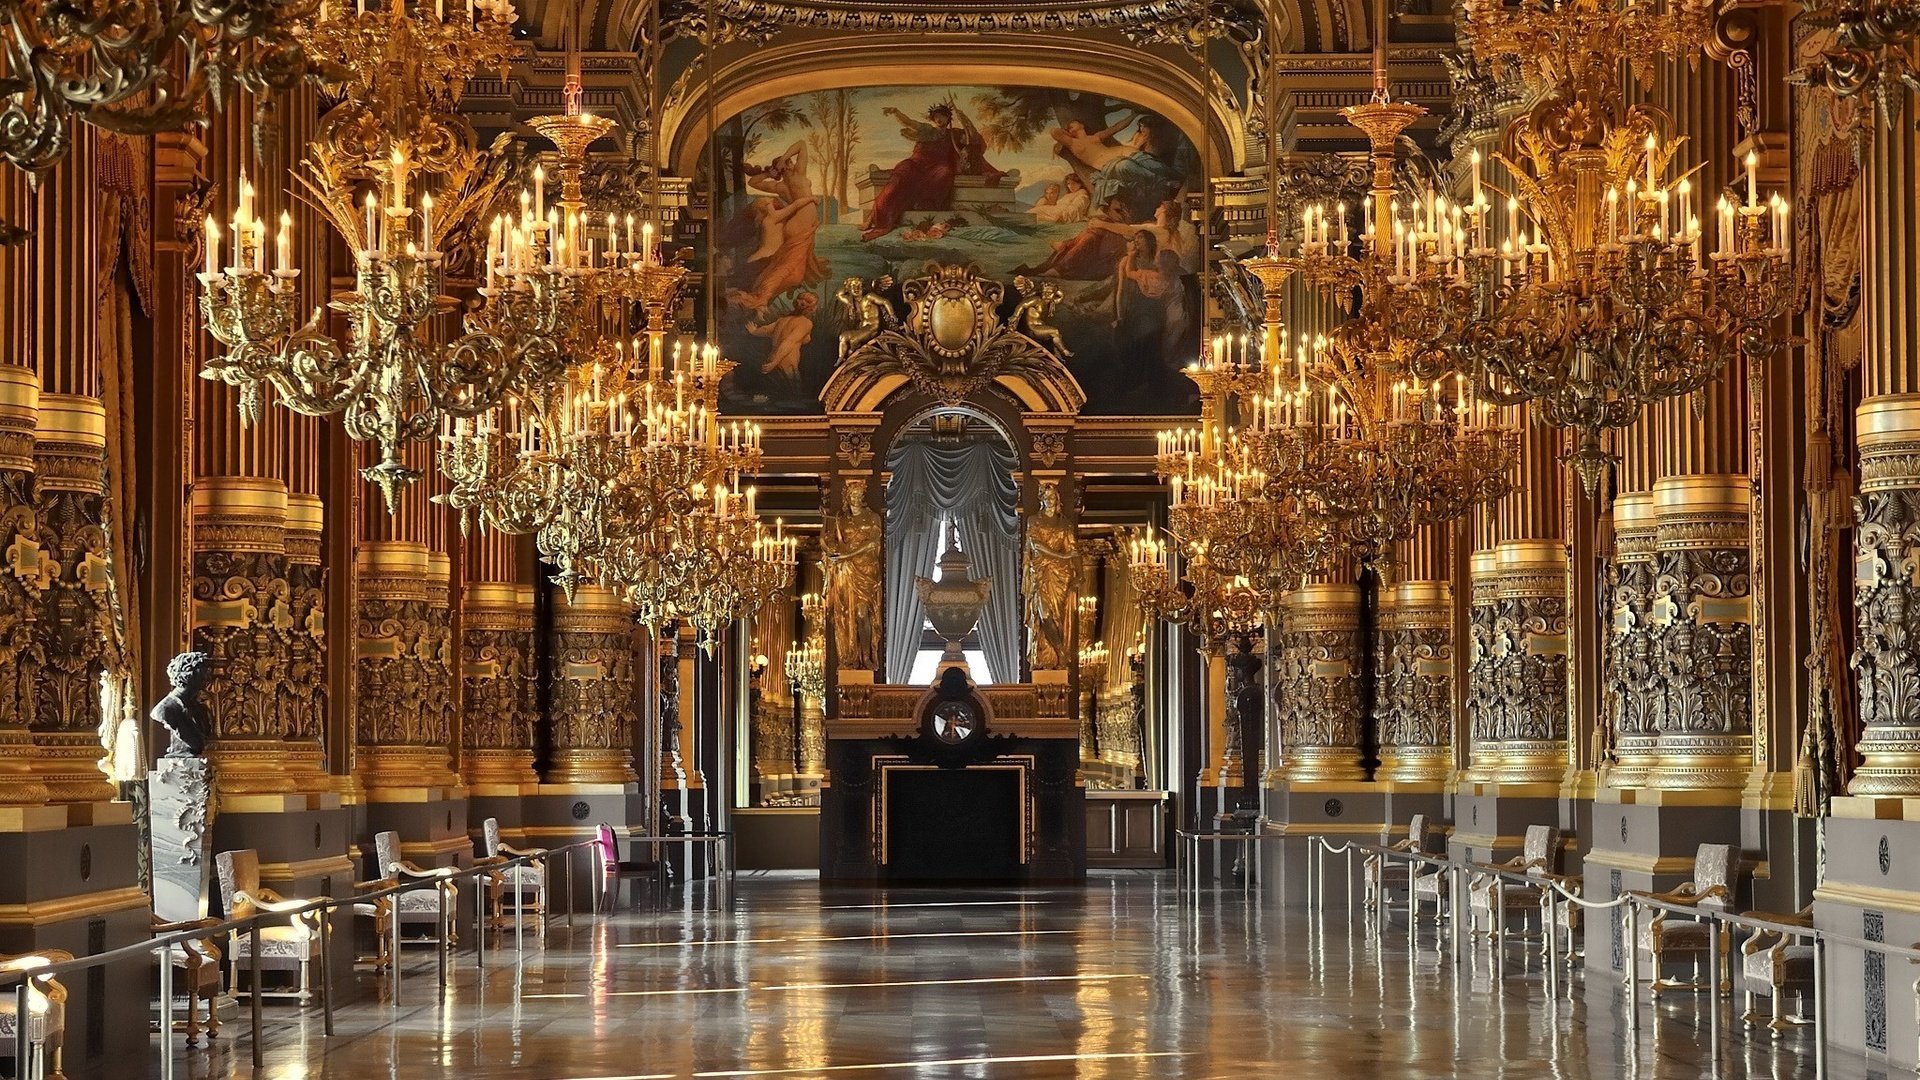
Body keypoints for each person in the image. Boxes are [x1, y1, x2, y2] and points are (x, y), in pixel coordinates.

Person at [861, 102, 1003, 241]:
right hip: (916, 164)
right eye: (936, 116)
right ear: (933, 118)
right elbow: (909, 122)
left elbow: (973, 138)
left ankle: (925, 203)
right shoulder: (926, 130)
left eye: (943, 116)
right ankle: (881, 215)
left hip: (937, 166)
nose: (939, 119)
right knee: (900, 174)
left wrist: (962, 115)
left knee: (945, 172)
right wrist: (896, 112)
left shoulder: (954, 134)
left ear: (948, 119)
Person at [727, 141, 827, 314]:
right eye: (790, 162)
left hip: (796, 224)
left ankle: (764, 295)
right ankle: (762, 298)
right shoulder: (798, 175)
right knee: (790, 266)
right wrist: (783, 161)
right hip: (802, 221)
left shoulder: (780, 186)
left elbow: (753, 182)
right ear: (788, 165)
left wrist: (768, 173)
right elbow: (802, 145)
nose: (794, 163)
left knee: (791, 267)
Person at [1012, 196, 1132, 280]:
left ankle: (1063, 256)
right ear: (1108, 210)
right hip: (1095, 259)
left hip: (1103, 266)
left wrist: (1100, 224)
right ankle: (1066, 248)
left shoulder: (1125, 225)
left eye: (1123, 211)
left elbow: (1128, 231)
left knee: (1091, 236)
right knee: (1091, 234)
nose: (1121, 214)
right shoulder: (1107, 222)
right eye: (1117, 211)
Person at [747, 291, 820, 379]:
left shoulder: (782, 320)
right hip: (786, 365)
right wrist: (775, 363)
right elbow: (789, 342)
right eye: (816, 306)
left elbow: (766, 330)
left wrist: (754, 331)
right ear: (811, 308)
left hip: (771, 360)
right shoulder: (805, 323)